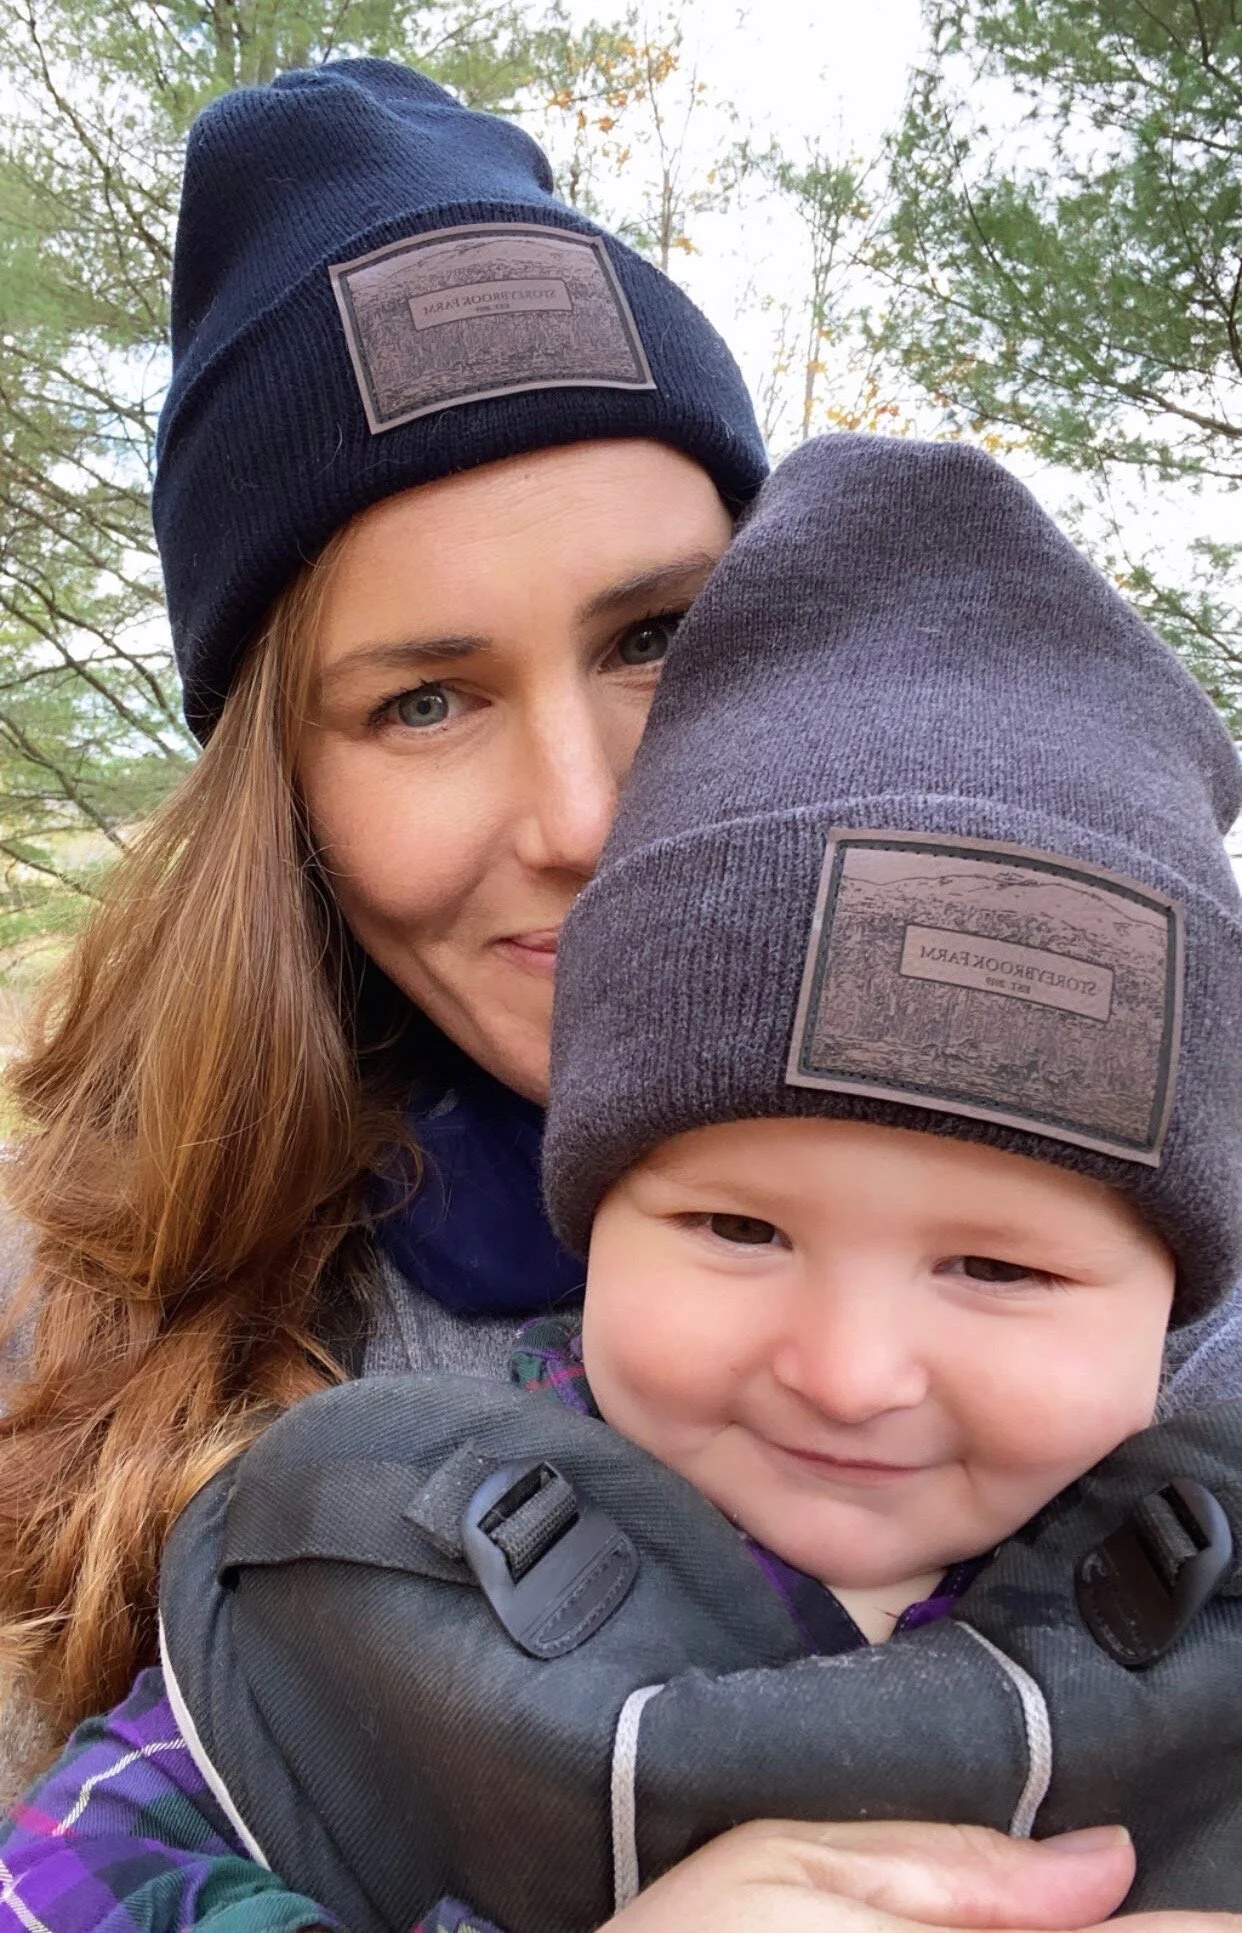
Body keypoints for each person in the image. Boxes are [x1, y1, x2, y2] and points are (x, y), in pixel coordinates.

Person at [0, 55, 1233, 1933]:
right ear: (283, 796)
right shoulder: (73, 1351)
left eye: (657, 637)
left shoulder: (1172, 1286)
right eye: (423, 700)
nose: (582, 817)